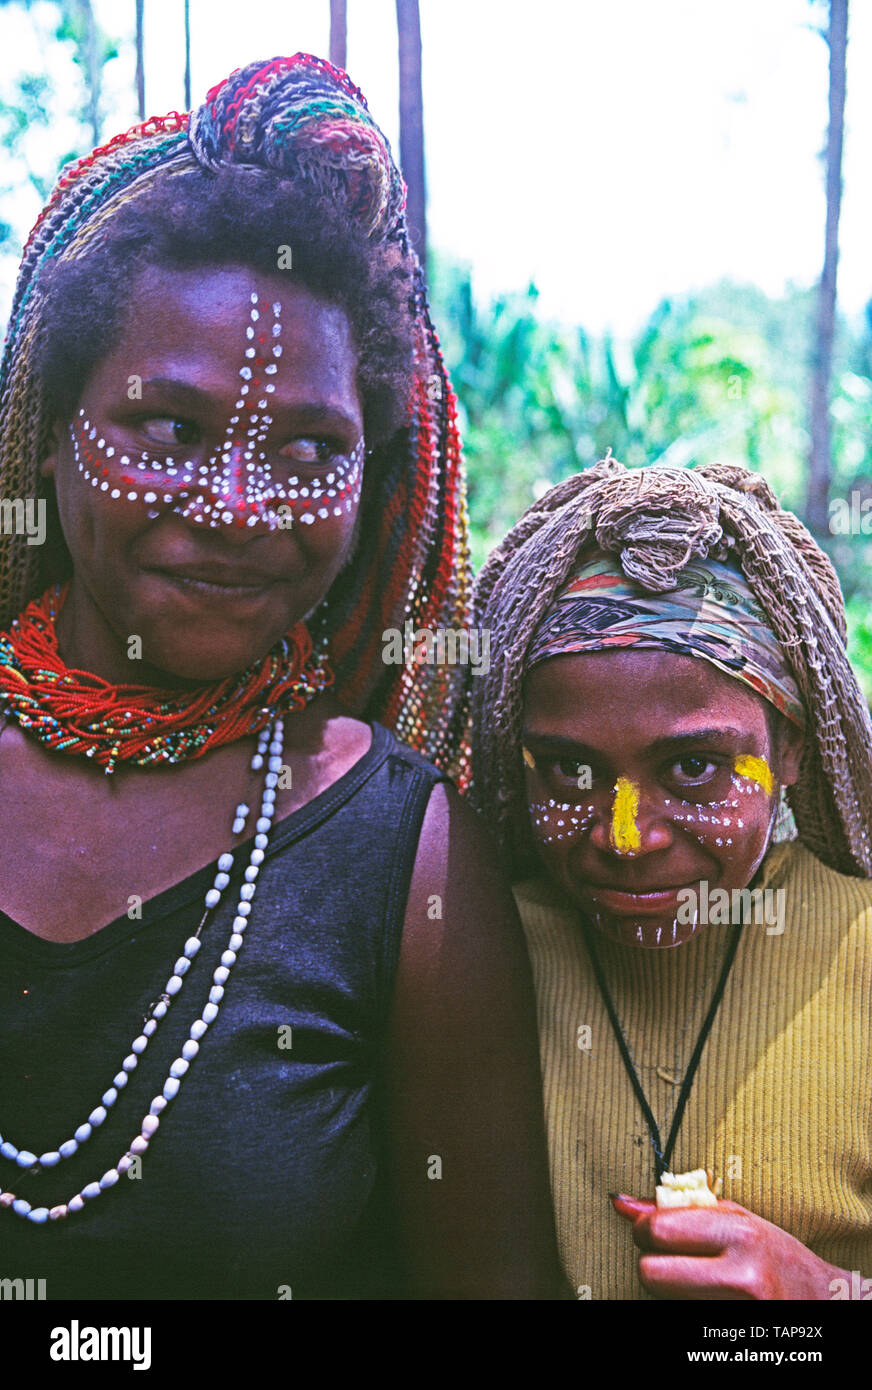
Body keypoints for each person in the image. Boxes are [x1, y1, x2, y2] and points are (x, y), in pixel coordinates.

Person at [0, 55, 561, 1300]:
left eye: (311, 449)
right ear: (49, 431)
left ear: (374, 486)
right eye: (170, 430)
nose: (241, 507)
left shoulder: (408, 856)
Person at [470, 456, 872, 1300]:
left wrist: (827, 1292)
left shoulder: (860, 953)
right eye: (570, 773)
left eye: (694, 767)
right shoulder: (469, 950)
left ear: (791, 749)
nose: (628, 839)